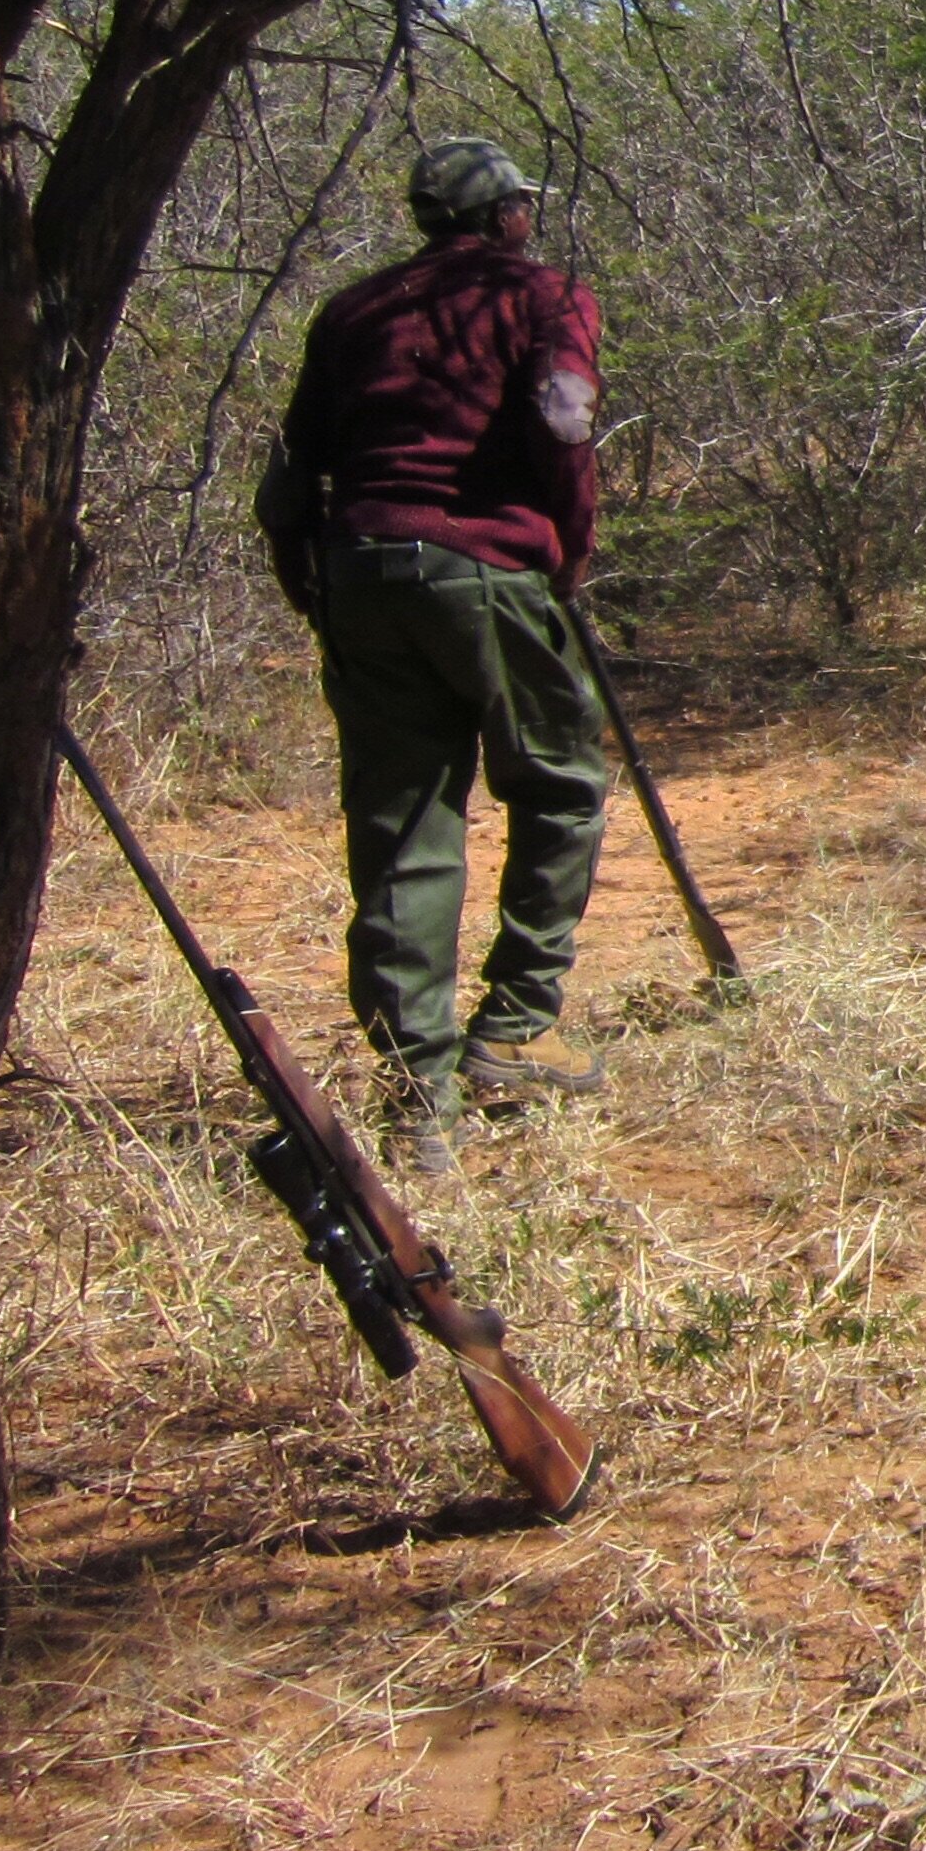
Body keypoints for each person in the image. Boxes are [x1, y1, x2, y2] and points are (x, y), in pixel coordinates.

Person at [257, 138, 613, 1172]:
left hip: (362, 572)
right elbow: (564, 415)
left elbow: (291, 473)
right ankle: (512, 1027)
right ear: (505, 216)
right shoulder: (543, 296)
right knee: (557, 781)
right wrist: (569, 549)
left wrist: (311, 584)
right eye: (519, 208)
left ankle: (421, 1096)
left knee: (404, 819)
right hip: (484, 567)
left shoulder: (355, 311)